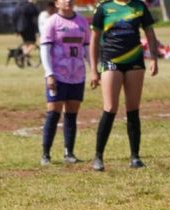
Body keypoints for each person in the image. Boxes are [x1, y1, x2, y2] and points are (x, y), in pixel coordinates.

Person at [89, 0, 159, 171]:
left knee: (133, 109)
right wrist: (93, 70)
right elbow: (94, 40)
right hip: (111, 61)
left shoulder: (139, 6)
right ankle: (98, 157)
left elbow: (150, 33)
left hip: (135, 61)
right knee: (110, 108)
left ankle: (135, 157)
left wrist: (154, 59)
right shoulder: (104, 8)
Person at [39, 0, 90, 165]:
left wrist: (95, 70)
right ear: (57, 3)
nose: (68, 1)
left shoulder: (82, 21)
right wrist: (49, 74)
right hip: (58, 76)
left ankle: (69, 153)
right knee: (53, 113)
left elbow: (87, 48)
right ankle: (46, 154)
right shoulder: (52, 22)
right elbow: (45, 49)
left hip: (77, 75)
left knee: (71, 115)